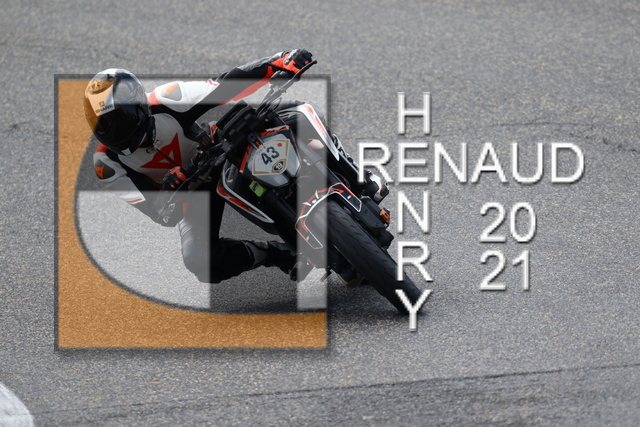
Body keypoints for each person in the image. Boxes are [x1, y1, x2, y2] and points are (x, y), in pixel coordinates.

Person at [84, 49, 387, 284]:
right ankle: (279, 254)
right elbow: (159, 213)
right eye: (106, 127)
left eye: (122, 119)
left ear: (139, 105)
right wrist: (169, 191)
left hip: (223, 148)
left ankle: (358, 177)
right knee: (199, 260)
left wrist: (279, 62)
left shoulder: (166, 99)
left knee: (302, 112)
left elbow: (225, 85)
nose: (117, 132)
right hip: (192, 192)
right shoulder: (106, 164)